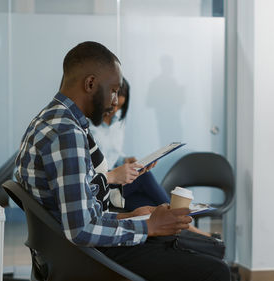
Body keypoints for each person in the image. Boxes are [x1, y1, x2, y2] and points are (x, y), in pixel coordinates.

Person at [15, 41, 230, 281]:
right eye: (114, 90)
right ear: (90, 84)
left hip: (70, 253)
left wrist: (131, 216)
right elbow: (81, 229)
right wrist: (149, 227)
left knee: (205, 250)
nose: (116, 101)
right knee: (215, 269)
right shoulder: (66, 133)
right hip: (86, 256)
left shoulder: (47, 120)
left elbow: (78, 211)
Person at [89, 77, 170, 211]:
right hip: (103, 182)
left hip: (116, 182)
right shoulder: (89, 126)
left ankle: (188, 227)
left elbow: (112, 153)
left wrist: (124, 160)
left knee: (147, 203)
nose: (115, 110)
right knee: (144, 177)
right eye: (113, 105)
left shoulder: (118, 123)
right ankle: (186, 222)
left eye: (120, 106)